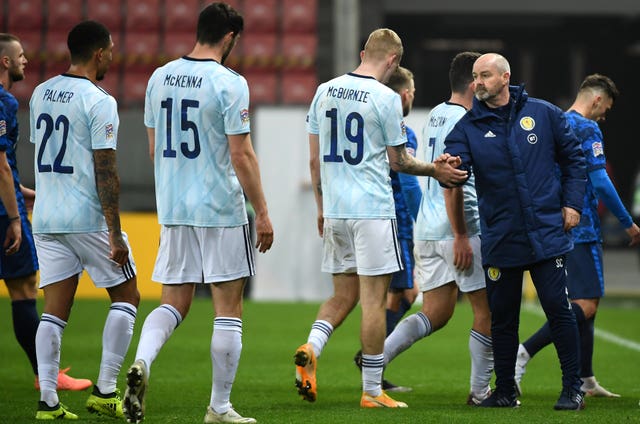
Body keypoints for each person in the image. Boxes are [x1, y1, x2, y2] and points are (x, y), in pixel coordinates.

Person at [295, 28, 468, 409]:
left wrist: (321, 208)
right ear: (393, 61)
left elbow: (313, 159)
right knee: (374, 302)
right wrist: (435, 171)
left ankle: (312, 345)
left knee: (342, 295)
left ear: (363, 52)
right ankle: (372, 391)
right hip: (372, 210)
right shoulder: (386, 98)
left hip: (336, 210)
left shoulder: (324, 89)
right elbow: (399, 161)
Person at [122, 4, 274, 424]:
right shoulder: (229, 83)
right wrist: (261, 210)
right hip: (220, 207)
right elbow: (241, 154)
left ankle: (143, 362)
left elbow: (154, 151)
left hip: (175, 206)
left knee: (173, 302)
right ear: (229, 38)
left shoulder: (159, 77)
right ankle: (219, 407)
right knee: (228, 307)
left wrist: (170, 202)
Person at [444, 53, 586, 410]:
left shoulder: (544, 114)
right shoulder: (468, 127)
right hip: (502, 236)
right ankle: (505, 391)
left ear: (506, 77)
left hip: (546, 233)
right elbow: (455, 162)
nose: (478, 82)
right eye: (475, 77)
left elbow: (574, 160)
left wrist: (573, 204)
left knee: (558, 309)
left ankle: (573, 389)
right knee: (504, 319)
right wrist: (448, 166)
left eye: (486, 75)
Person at [30, 21, 140, 420]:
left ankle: (48, 402)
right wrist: (115, 233)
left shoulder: (41, 93)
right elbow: (105, 169)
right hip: (86, 216)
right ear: (98, 54)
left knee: (54, 311)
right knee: (128, 297)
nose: (113, 56)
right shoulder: (99, 100)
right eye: (110, 50)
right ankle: (106, 391)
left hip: (45, 216)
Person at [515, 74, 640, 397]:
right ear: (597, 100)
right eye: (606, 108)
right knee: (585, 303)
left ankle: (586, 380)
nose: (604, 115)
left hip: (555, 226)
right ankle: (524, 352)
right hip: (581, 228)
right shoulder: (587, 128)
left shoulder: (553, 122)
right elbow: (599, 182)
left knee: (587, 302)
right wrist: (627, 222)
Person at [382, 51, 494, 406]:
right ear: (475, 82)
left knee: (436, 311)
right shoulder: (466, 121)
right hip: (458, 229)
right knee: (487, 311)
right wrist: (462, 234)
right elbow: (454, 183)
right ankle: (480, 393)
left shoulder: (434, 114)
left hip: (427, 229)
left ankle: (374, 364)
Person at [1, 33, 92, 394]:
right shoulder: (4, 102)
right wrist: (13, 216)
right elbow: (1, 166)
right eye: (20, 56)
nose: (26, 60)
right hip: (4, 214)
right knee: (23, 290)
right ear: (5, 62)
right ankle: (46, 374)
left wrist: (25, 191)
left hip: (7, 198)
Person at [352, 66, 421, 393]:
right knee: (394, 296)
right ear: (405, 94)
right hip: (396, 223)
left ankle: (373, 363)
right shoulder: (403, 130)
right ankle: (372, 365)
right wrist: (423, 220)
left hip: (367, 217)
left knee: (401, 293)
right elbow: (408, 183)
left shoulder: (370, 124)